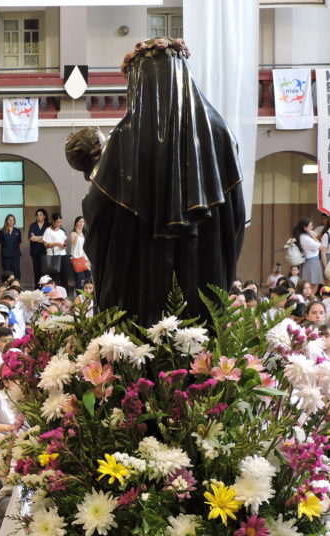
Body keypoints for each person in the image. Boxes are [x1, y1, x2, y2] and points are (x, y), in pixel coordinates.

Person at [80, 38, 246, 325]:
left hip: (136, 283)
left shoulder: (121, 142)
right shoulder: (221, 135)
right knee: (200, 349)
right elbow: (236, 218)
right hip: (205, 271)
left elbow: (96, 221)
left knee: (138, 348)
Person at [295, 218, 324, 286]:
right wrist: (314, 237)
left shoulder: (306, 236)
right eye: (310, 226)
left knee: (314, 284)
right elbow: (320, 246)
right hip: (311, 262)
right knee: (312, 284)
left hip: (313, 261)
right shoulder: (305, 238)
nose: (312, 227)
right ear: (305, 228)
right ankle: (311, 297)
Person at [42, 213, 69, 289]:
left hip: (62, 255)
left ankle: (64, 294)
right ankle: (53, 294)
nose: (59, 224)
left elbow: (65, 241)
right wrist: (57, 244)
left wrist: (64, 246)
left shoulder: (61, 231)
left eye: (60, 222)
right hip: (53, 257)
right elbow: (46, 245)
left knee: (64, 277)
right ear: (53, 222)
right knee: (54, 277)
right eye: (57, 222)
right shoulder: (48, 230)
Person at [28, 209, 50, 287]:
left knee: (45, 271)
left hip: (46, 251)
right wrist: (43, 238)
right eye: (37, 215)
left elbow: (48, 238)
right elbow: (31, 238)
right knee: (36, 271)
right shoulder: (33, 225)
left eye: (40, 215)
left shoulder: (48, 225)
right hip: (35, 251)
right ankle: (37, 288)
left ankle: (45, 288)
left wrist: (38, 238)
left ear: (44, 216)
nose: (38, 216)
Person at [0, 214, 22, 282]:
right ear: (6, 221)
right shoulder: (2, 231)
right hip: (6, 255)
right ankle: (6, 287)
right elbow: (1, 242)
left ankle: (17, 286)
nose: (11, 221)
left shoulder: (17, 231)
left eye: (13, 220)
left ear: (14, 221)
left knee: (16, 271)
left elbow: (19, 241)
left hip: (15, 255)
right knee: (6, 272)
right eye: (9, 220)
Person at [70, 216, 90, 291]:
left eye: (83, 222)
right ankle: (79, 297)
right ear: (76, 223)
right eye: (80, 221)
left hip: (86, 259)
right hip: (77, 259)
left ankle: (87, 295)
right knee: (79, 279)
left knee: (88, 277)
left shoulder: (85, 233)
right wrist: (78, 234)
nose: (82, 223)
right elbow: (73, 242)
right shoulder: (73, 233)